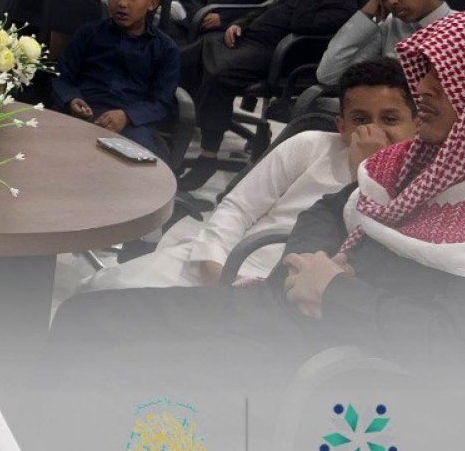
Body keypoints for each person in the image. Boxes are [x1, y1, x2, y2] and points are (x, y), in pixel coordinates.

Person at [34, 9, 465, 451]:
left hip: (354, 382)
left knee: (110, 396)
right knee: (84, 318)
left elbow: (456, 350)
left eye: (444, 76)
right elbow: (328, 208)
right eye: (424, 71)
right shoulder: (430, 160)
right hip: (289, 318)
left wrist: (335, 292)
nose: (424, 87)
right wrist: (307, 266)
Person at [82, 58, 416, 290]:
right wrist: (215, 266)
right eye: (360, 119)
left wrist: (366, 174)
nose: (373, 131)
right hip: (222, 259)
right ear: (341, 126)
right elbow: (238, 208)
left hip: (285, 290)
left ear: (416, 124)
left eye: (390, 119)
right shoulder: (311, 146)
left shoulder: (421, 184)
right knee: (100, 290)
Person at [179, 0, 372, 185]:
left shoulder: (343, 8)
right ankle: (172, 132)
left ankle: (208, 155)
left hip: (274, 54)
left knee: (218, 75)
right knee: (182, 61)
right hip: (246, 41)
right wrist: (240, 23)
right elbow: (269, 8)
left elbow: (301, 24)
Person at [51, 0, 180, 161]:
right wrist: (71, 99)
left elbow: (160, 103)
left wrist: (127, 116)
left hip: (131, 125)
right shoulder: (88, 34)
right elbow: (62, 76)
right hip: (82, 114)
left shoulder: (166, 49)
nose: (122, 3)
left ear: (152, 3)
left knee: (136, 168)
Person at [316, 0, 452, 86]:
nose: (391, 1)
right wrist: (365, 15)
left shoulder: (460, 29)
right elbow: (329, 75)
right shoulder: (390, 26)